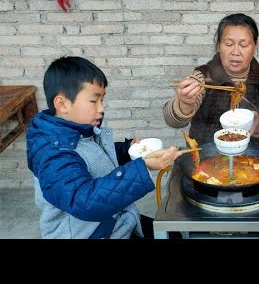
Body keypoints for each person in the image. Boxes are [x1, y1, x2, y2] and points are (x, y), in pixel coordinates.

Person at [27, 56, 182, 239]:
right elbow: (84, 201)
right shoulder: (53, 154)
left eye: (102, 100)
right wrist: (142, 167)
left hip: (115, 220)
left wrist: (127, 150)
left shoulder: (78, 130)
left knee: (173, 234)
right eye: (94, 101)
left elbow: (94, 158)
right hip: (89, 233)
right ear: (62, 104)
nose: (101, 108)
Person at [163, 13, 259, 147]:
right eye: (228, 44)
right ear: (218, 46)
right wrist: (185, 104)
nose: (235, 52)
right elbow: (172, 122)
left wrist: (258, 124)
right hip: (206, 157)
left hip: (257, 158)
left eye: (244, 45)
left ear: (255, 47)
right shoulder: (202, 77)